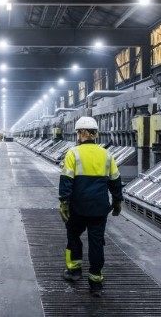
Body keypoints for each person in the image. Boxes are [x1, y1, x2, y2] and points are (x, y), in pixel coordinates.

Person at [58, 116, 123, 297]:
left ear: (84, 133)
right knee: (96, 243)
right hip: (99, 209)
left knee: (73, 236)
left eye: (79, 132)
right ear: (95, 134)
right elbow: (115, 181)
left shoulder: (73, 153)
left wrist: (64, 202)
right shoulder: (107, 155)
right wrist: (117, 200)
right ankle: (95, 283)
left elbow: (66, 181)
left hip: (77, 208)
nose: (78, 135)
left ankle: (74, 271)